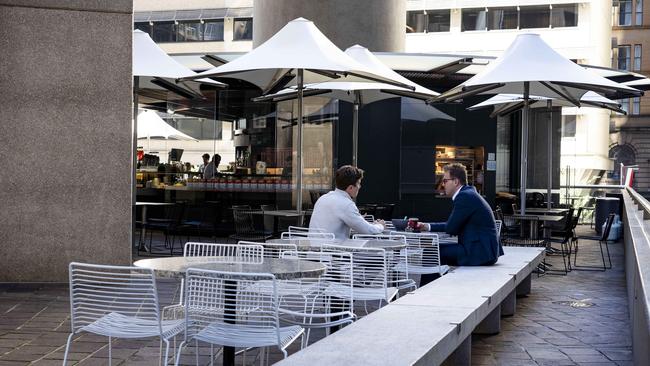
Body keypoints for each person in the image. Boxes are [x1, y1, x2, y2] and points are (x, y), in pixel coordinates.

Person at [418, 163, 503, 283]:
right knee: (435, 251)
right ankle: (437, 287)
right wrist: (427, 226)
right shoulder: (469, 193)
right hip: (483, 250)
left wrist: (427, 227)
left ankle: (426, 293)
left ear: (455, 181)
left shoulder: (464, 197)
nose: (443, 184)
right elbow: (453, 226)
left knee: (431, 252)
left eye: (445, 181)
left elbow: (451, 228)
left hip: (480, 253)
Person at [309, 165, 385, 240]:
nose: (360, 186)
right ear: (350, 188)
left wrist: (357, 219)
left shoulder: (323, 198)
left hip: (313, 250)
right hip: (333, 250)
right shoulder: (346, 204)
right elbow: (368, 230)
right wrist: (380, 226)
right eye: (358, 183)